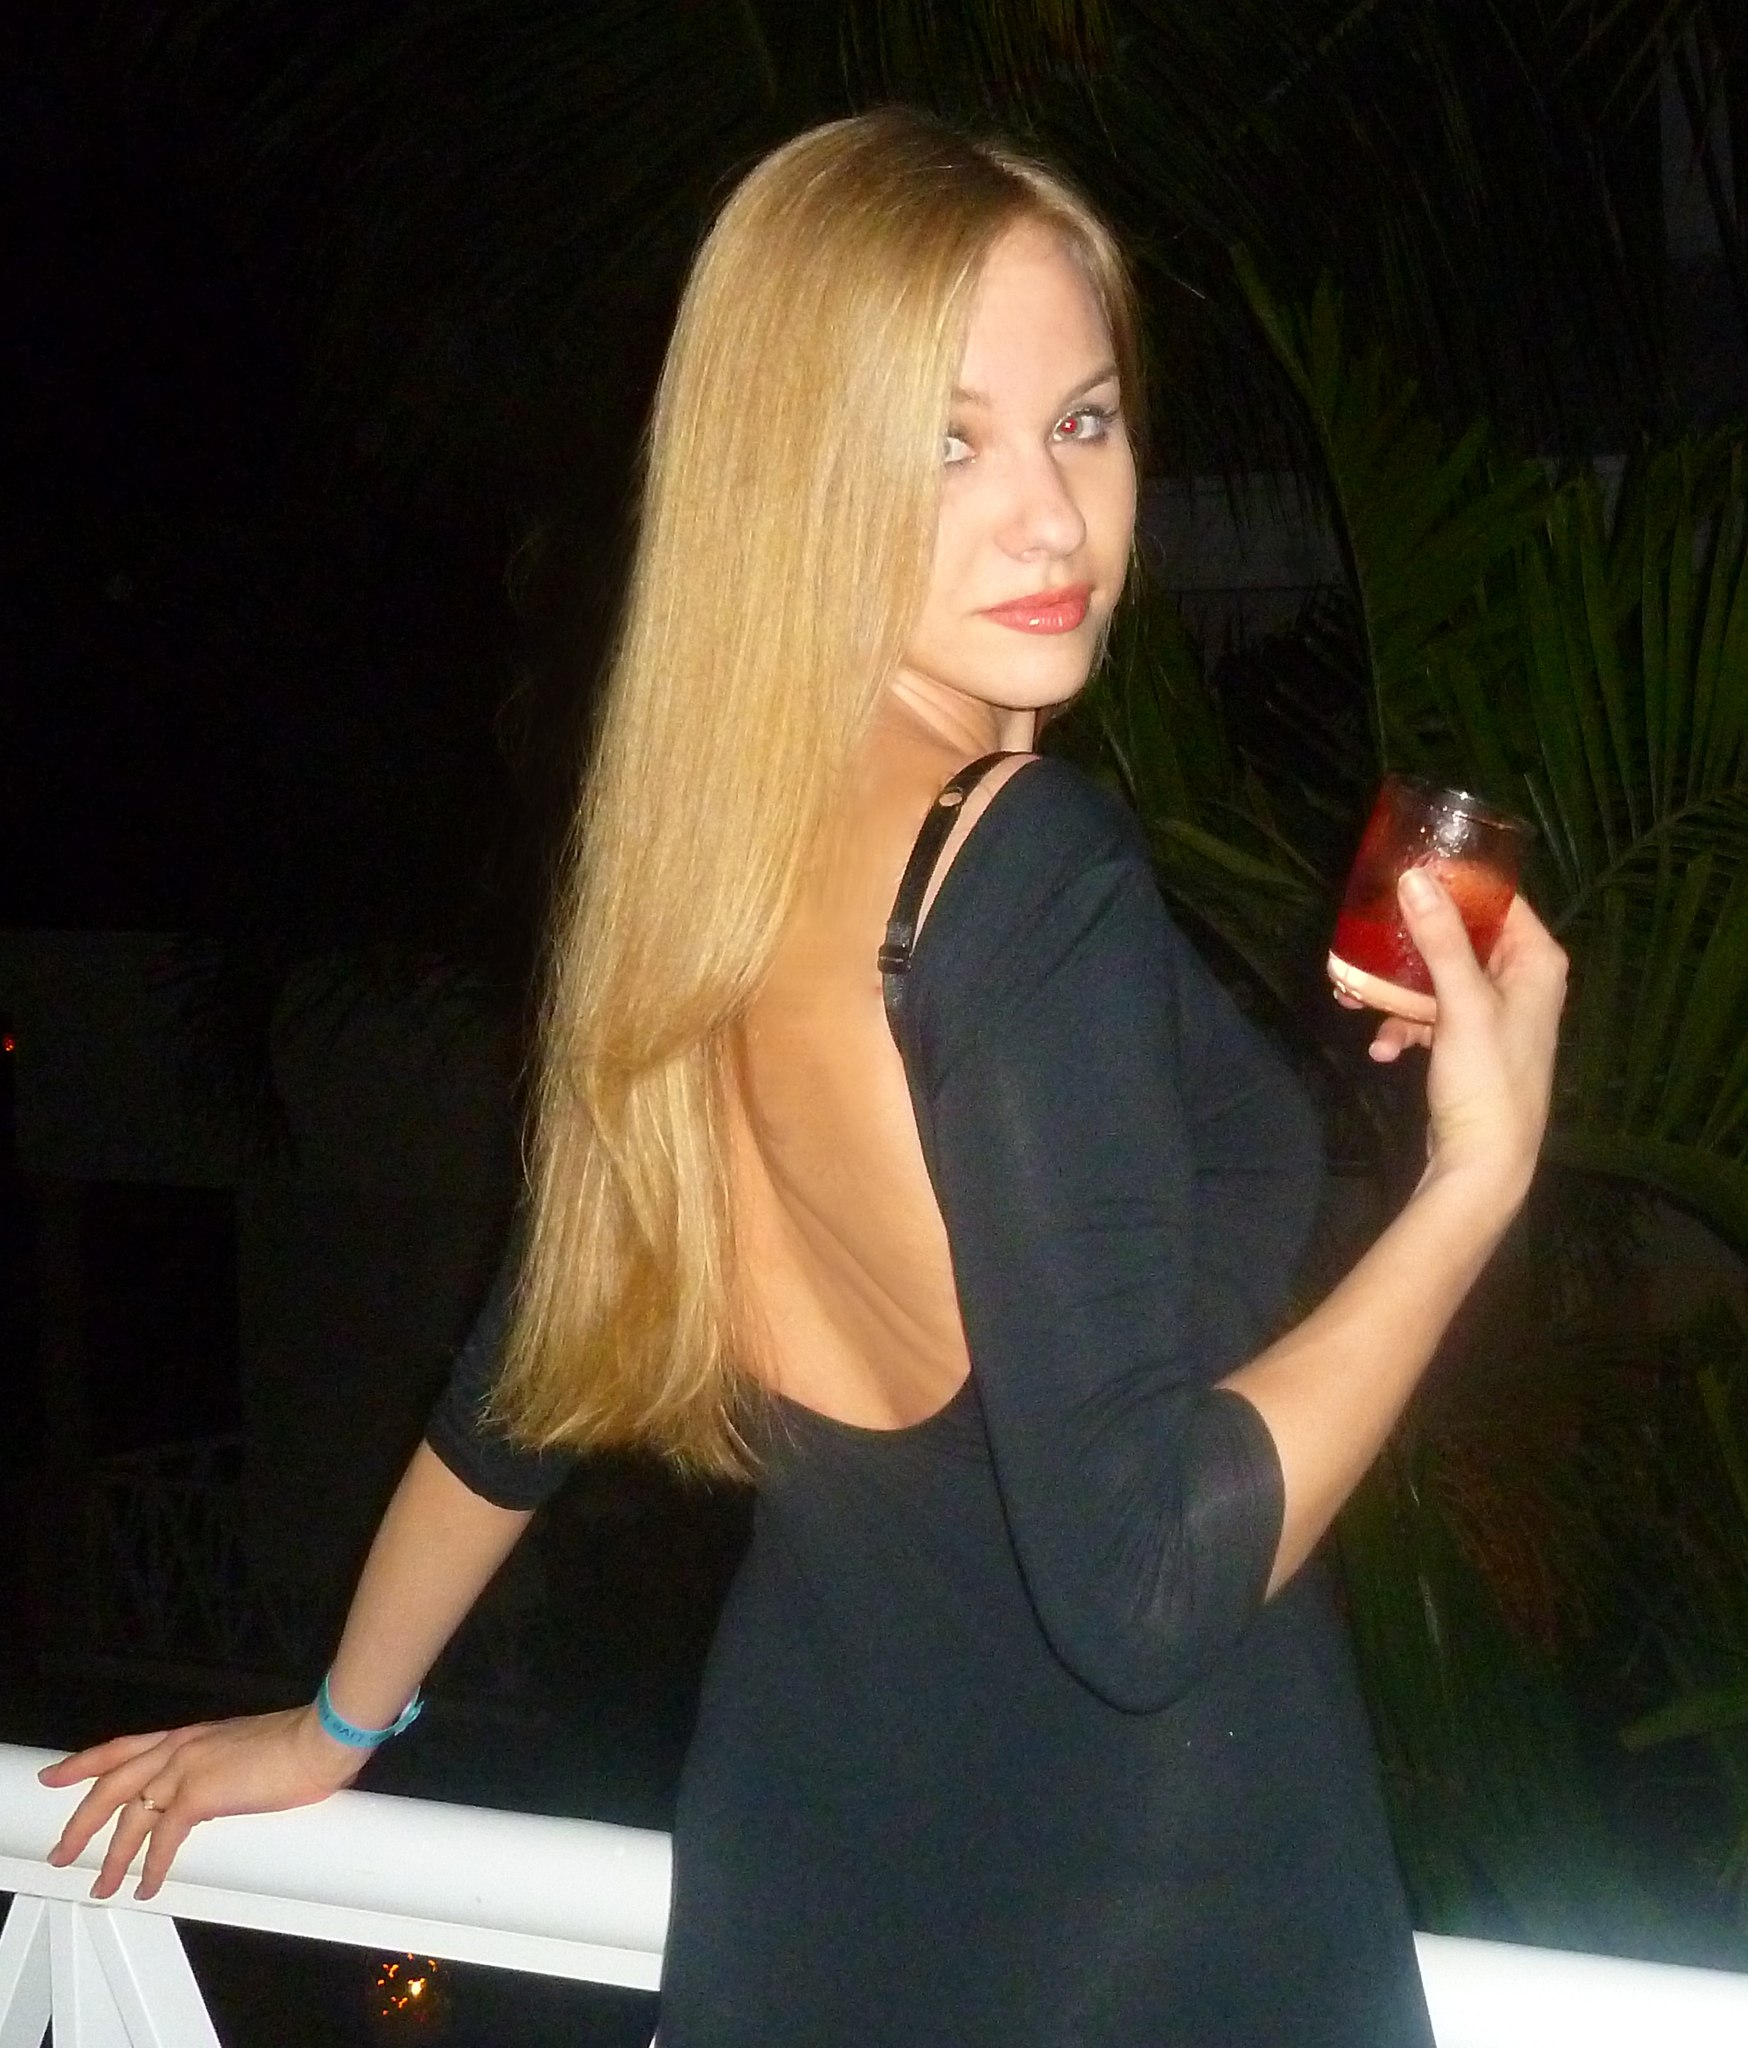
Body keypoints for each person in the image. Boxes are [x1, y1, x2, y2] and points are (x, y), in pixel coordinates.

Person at [40, 109, 1566, 2046]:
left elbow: (528, 1369)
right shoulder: (1028, 874)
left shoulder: (711, 860)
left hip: (816, 1886)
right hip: (1146, 1927)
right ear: (791, 475)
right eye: (945, 443)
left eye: (1082, 422)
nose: (1049, 519)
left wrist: (337, 1720)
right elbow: (1146, 1581)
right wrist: (1471, 1184)